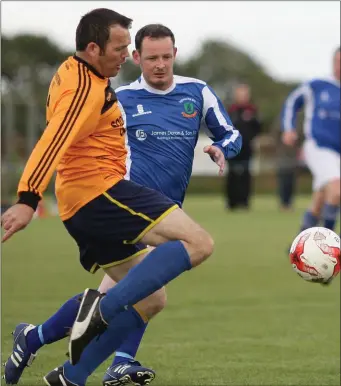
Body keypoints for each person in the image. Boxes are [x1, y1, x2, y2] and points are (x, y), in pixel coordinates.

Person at [2, 15, 242, 386]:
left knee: (151, 299)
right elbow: (53, 140)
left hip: (102, 201)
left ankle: (67, 373)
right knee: (198, 243)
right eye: (122, 50)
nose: (127, 57)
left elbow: (230, 132)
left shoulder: (83, 74)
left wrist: (222, 147)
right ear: (96, 49)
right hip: (106, 196)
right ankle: (95, 319)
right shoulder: (91, 91)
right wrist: (28, 198)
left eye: (165, 56)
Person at [281, 46, 340, 235]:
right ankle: (327, 246)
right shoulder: (318, 85)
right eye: (337, 62)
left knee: (321, 199)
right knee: (337, 190)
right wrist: (288, 128)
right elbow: (292, 101)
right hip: (319, 147)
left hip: (337, 154)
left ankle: (299, 243)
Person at [225, 83, 261, 210]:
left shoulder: (252, 110)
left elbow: (258, 128)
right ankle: (231, 203)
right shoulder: (231, 110)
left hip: (247, 149)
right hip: (233, 148)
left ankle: (244, 202)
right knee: (232, 175)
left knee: (246, 175)